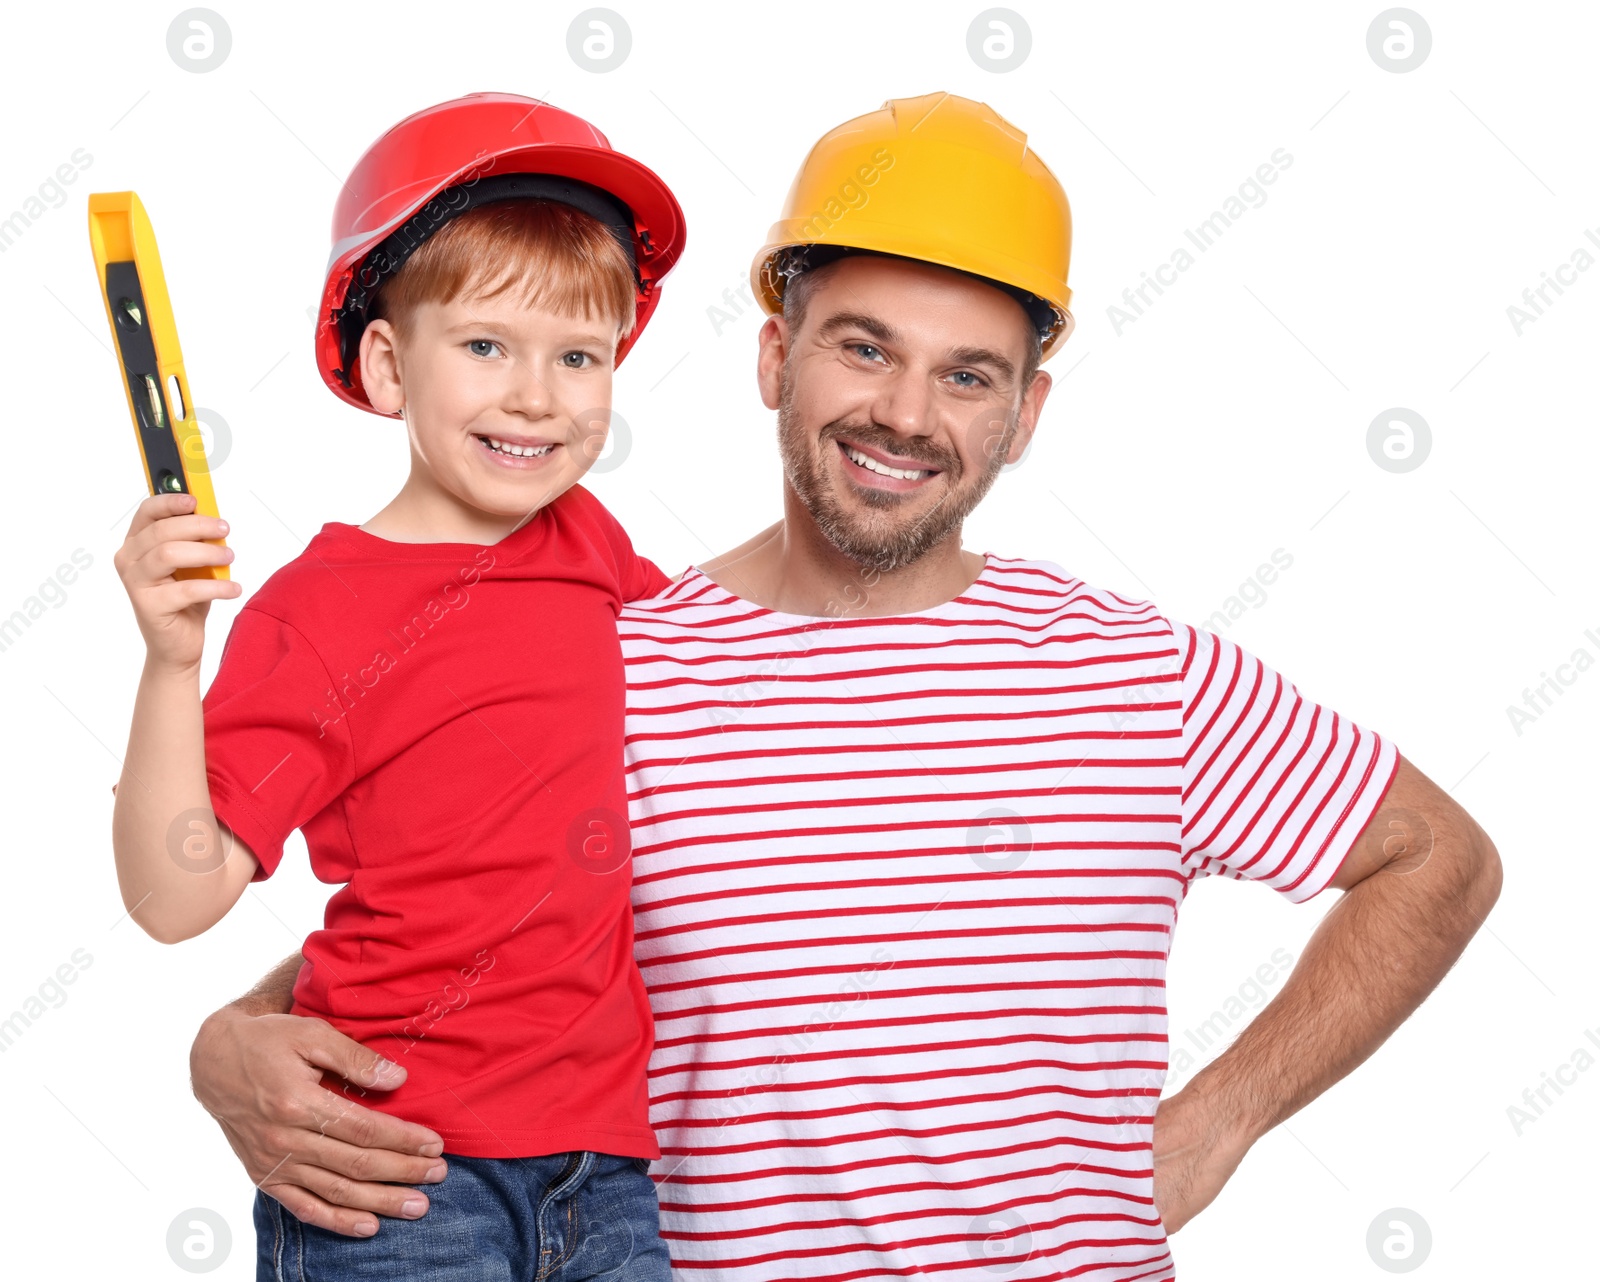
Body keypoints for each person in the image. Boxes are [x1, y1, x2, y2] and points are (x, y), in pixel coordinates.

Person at [186, 93, 1501, 1281]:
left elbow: (1437, 856)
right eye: (864, 349)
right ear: (775, 357)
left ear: (1026, 412)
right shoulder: (616, 657)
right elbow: (470, 914)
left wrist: (1219, 1120)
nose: (907, 415)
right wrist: (234, 1041)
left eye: (968, 373)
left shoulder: (1137, 674)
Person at [111, 92, 686, 1279]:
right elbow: (174, 898)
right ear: (387, 365)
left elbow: (723, 675)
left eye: (577, 355)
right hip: (397, 1180)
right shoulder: (320, 614)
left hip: (613, 1180)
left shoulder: (593, 547)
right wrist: (171, 664)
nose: (537, 394)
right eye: (485, 345)